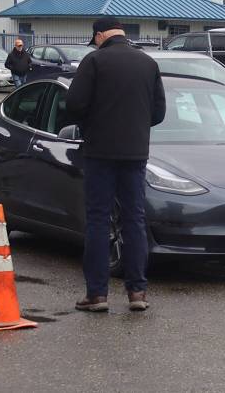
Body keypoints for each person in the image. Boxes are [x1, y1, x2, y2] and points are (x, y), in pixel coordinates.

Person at [66, 17, 166, 313]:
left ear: (99, 36)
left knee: (98, 219)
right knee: (134, 219)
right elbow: (159, 112)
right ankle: (137, 292)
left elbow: (74, 105)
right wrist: (135, 125)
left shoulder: (95, 62)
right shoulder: (148, 64)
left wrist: (92, 123)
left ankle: (97, 295)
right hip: (135, 153)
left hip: (100, 153)